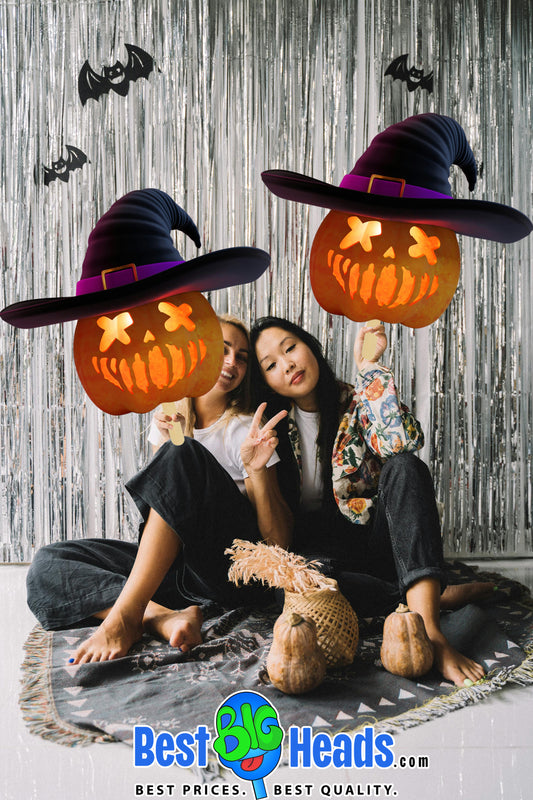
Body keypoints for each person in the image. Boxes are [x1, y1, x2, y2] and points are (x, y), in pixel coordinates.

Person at [26, 315, 292, 663]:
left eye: (241, 357)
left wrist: (257, 471)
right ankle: (159, 616)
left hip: (225, 572)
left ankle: (126, 614)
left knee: (183, 452)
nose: (231, 362)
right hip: (177, 572)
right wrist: (174, 441)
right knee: (49, 563)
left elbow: (279, 545)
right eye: (222, 350)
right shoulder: (171, 418)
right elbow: (163, 512)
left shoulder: (245, 428)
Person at [248, 316, 493, 687]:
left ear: (309, 346)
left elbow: (401, 444)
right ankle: (428, 595)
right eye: (270, 364)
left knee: (406, 467)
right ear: (264, 380)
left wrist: (370, 371)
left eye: (290, 348)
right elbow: (278, 539)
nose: (288, 364)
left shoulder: (357, 400)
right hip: (325, 566)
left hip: (374, 543)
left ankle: (430, 631)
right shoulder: (269, 430)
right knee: (314, 582)